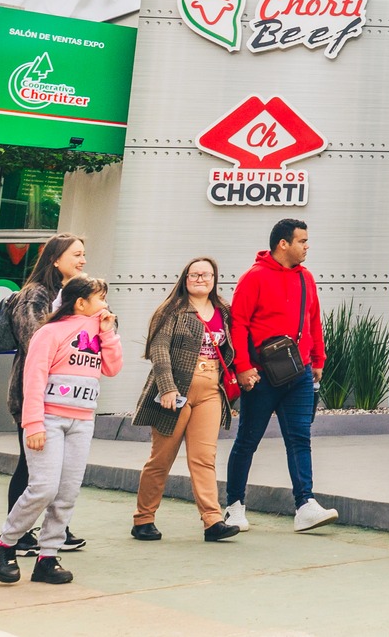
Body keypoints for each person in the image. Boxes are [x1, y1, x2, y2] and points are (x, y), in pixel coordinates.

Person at [0, 275, 122, 586]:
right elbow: (33, 379)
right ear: (81, 303)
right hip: (48, 420)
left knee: (67, 492)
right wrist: (33, 424)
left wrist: (108, 333)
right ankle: (5, 544)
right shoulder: (49, 332)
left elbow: (113, 368)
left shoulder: (100, 331)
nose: (105, 304)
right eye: (100, 298)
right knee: (44, 488)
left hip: (82, 422)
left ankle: (47, 557)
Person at [223, 218, 337, 533]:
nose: (307, 246)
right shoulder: (254, 277)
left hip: (299, 374)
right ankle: (234, 507)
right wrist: (242, 367)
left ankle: (305, 506)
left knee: (300, 438)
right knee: (247, 440)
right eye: (302, 241)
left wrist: (318, 359)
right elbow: (238, 323)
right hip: (261, 376)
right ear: (283, 244)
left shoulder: (306, 278)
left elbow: (313, 319)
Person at [131, 256, 241, 542]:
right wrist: (167, 388)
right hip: (176, 392)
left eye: (206, 275)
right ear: (185, 278)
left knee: (204, 458)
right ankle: (143, 519)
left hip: (211, 391)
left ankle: (212, 521)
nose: (200, 279)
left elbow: (236, 345)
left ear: (215, 279)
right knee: (161, 458)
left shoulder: (225, 311)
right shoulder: (172, 310)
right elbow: (158, 349)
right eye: (194, 275)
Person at [4, 234, 90, 555]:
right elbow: (36, 339)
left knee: (62, 471)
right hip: (34, 395)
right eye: (76, 254)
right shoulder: (35, 295)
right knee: (30, 467)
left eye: (83, 254)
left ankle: (56, 531)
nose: (82, 260)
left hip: (68, 399)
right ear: (55, 259)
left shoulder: (77, 294)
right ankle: (17, 535)